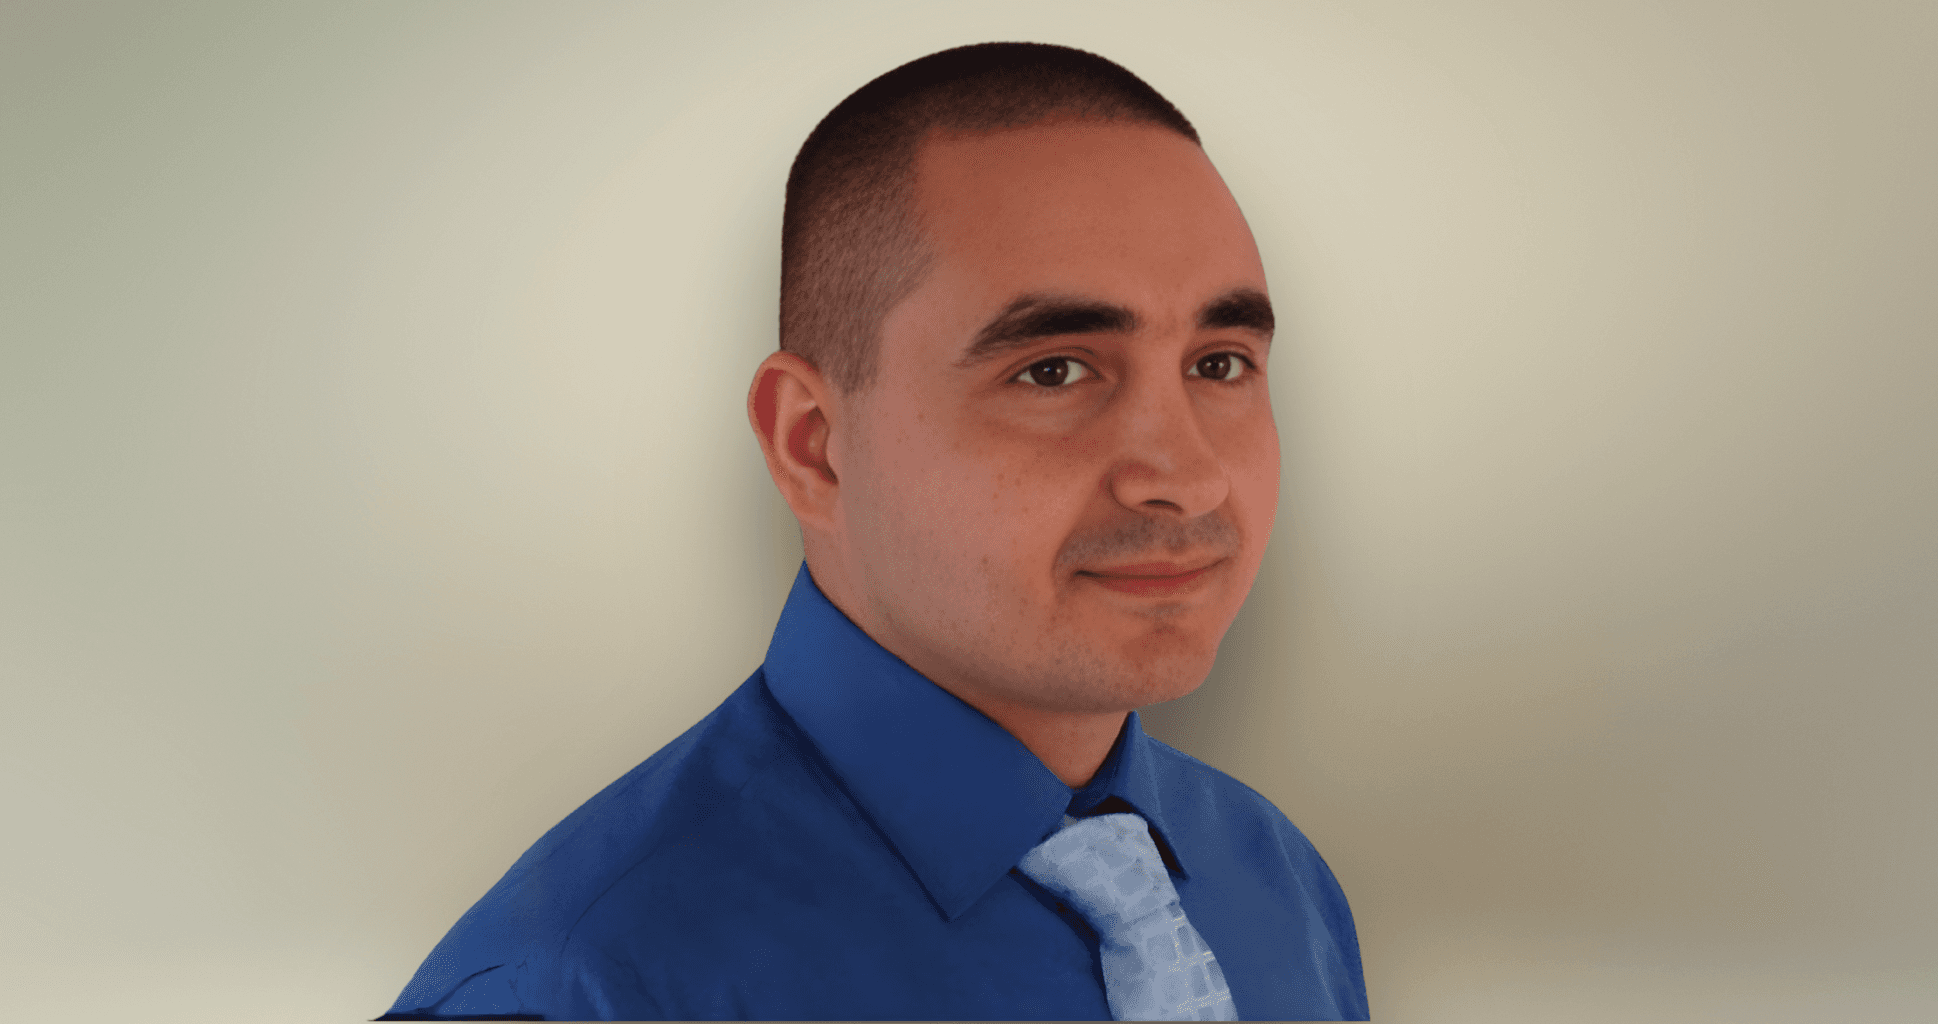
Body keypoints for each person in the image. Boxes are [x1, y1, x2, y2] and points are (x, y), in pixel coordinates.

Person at [379, 41, 1368, 1021]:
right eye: (1054, 371)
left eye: (1221, 364)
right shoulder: (582, 985)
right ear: (813, 445)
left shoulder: (1274, 884)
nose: (1185, 475)